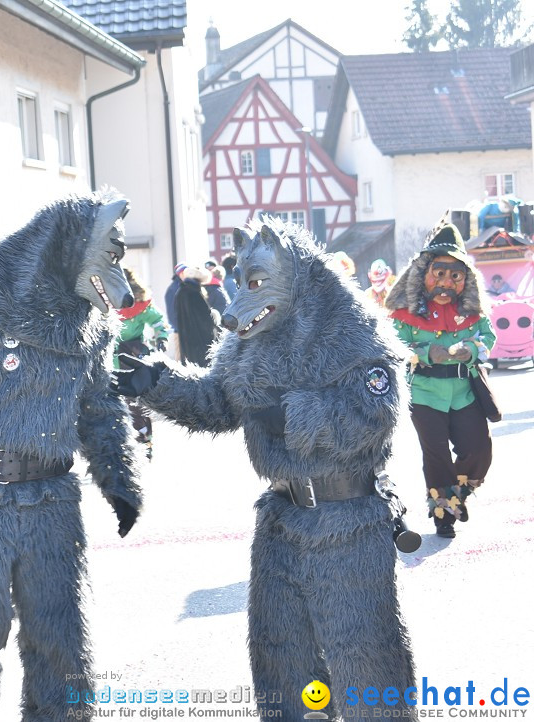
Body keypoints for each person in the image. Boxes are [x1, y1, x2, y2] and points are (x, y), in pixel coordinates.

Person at [113, 217, 416, 720]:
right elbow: (216, 403)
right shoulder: (248, 342)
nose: (236, 309)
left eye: (254, 286)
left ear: (295, 275)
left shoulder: (355, 335)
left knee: (364, 656)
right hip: (281, 519)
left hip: (349, 520)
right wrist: (156, 384)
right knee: (282, 655)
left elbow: (372, 419)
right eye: (240, 285)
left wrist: (290, 413)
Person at [0, 191, 142, 720]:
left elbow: (99, 405)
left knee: (60, 636)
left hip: (53, 500)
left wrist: (119, 480)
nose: (119, 279)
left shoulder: (91, 321)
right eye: (110, 254)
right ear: (72, 244)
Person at [385, 223, 496, 538]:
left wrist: (472, 349)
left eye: (454, 276)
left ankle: (457, 496)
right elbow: (394, 346)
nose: (446, 283)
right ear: (424, 274)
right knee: (436, 456)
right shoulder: (406, 310)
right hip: (424, 393)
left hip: (465, 392)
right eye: (440, 274)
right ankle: (442, 513)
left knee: (478, 450)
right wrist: (426, 351)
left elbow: (488, 338)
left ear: (464, 279)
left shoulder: (471, 310)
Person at [116, 268, 170, 460]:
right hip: (107, 359)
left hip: (132, 357)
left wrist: (161, 338)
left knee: (136, 404)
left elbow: (158, 321)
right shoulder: (104, 302)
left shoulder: (140, 304)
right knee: (111, 405)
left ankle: (144, 443)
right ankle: (116, 449)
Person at [173, 266, 222, 367]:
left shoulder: (180, 292)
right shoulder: (194, 293)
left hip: (186, 340)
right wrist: (214, 315)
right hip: (200, 341)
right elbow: (206, 318)